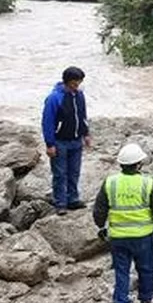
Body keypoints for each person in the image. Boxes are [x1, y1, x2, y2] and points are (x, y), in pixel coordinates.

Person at [93, 144, 153, 303]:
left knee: (121, 271)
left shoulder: (110, 182)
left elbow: (99, 210)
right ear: (138, 165)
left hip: (118, 237)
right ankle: (146, 299)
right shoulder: (147, 183)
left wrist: (100, 226)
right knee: (146, 267)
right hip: (143, 236)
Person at [41, 66, 91, 215]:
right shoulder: (54, 98)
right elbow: (47, 122)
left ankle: (73, 199)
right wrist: (49, 144)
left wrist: (86, 134)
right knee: (60, 173)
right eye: (74, 84)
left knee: (74, 172)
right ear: (66, 82)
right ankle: (60, 203)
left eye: (79, 83)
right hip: (59, 141)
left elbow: (82, 116)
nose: (77, 87)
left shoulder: (79, 95)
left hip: (76, 140)